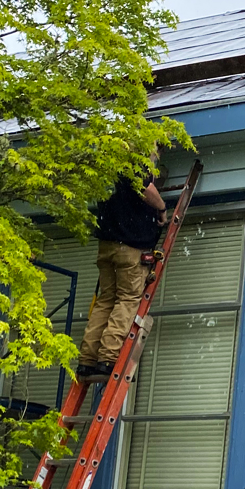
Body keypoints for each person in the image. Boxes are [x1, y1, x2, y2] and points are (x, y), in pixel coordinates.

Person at [76, 152, 166, 381]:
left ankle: (87, 359)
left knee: (106, 299)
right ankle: (108, 358)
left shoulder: (109, 161)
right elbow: (145, 188)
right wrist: (162, 208)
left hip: (107, 245)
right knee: (127, 299)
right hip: (131, 246)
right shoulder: (137, 162)